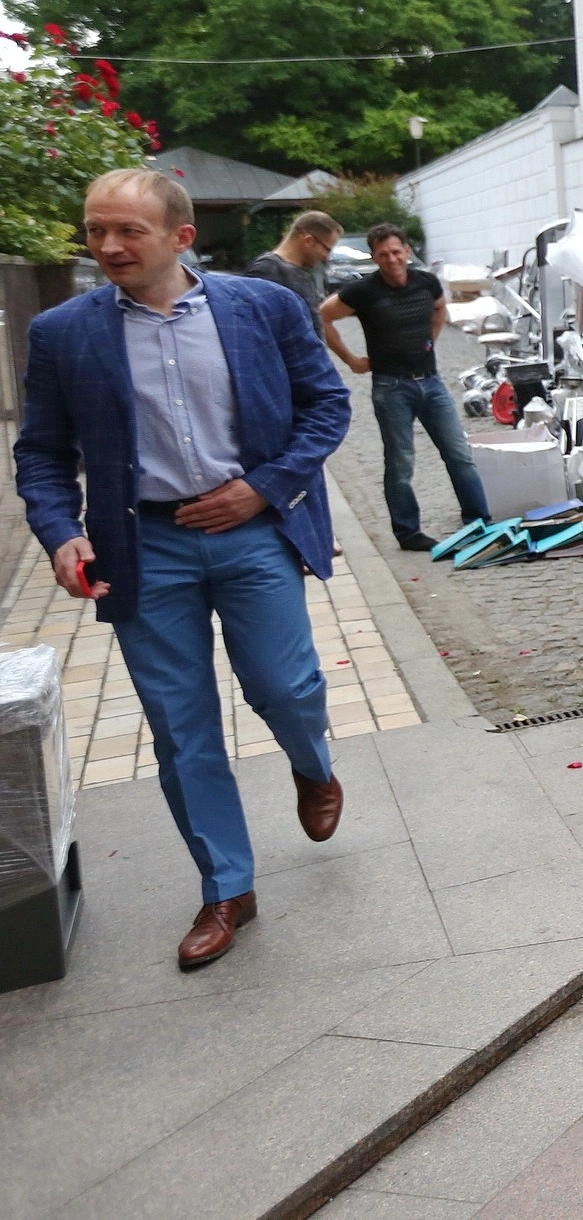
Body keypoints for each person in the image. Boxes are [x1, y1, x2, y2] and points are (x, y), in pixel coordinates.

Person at [15, 168, 352, 969]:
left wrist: (261, 488)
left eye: (128, 230)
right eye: (96, 229)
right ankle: (227, 884)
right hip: (144, 547)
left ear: (180, 236)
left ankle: (313, 765)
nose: (107, 246)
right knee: (180, 723)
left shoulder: (263, 307)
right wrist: (62, 532)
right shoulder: (64, 332)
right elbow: (40, 453)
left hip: (252, 528)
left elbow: (326, 406)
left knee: (286, 685)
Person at [319, 222, 491, 551]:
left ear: (407, 252)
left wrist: (430, 341)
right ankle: (408, 533)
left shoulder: (426, 282)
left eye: (397, 252)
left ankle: (479, 520)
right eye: (383, 254)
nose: (392, 259)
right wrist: (351, 359)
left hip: (432, 383)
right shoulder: (363, 291)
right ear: (374, 257)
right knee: (400, 463)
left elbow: (440, 308)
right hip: (391, 388)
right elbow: (323, 316)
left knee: (459, 455)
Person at [246, 209, 342, 319]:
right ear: (308, 241)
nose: (327, 257)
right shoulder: (267, 270)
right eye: (327, 249)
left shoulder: (302, 273)